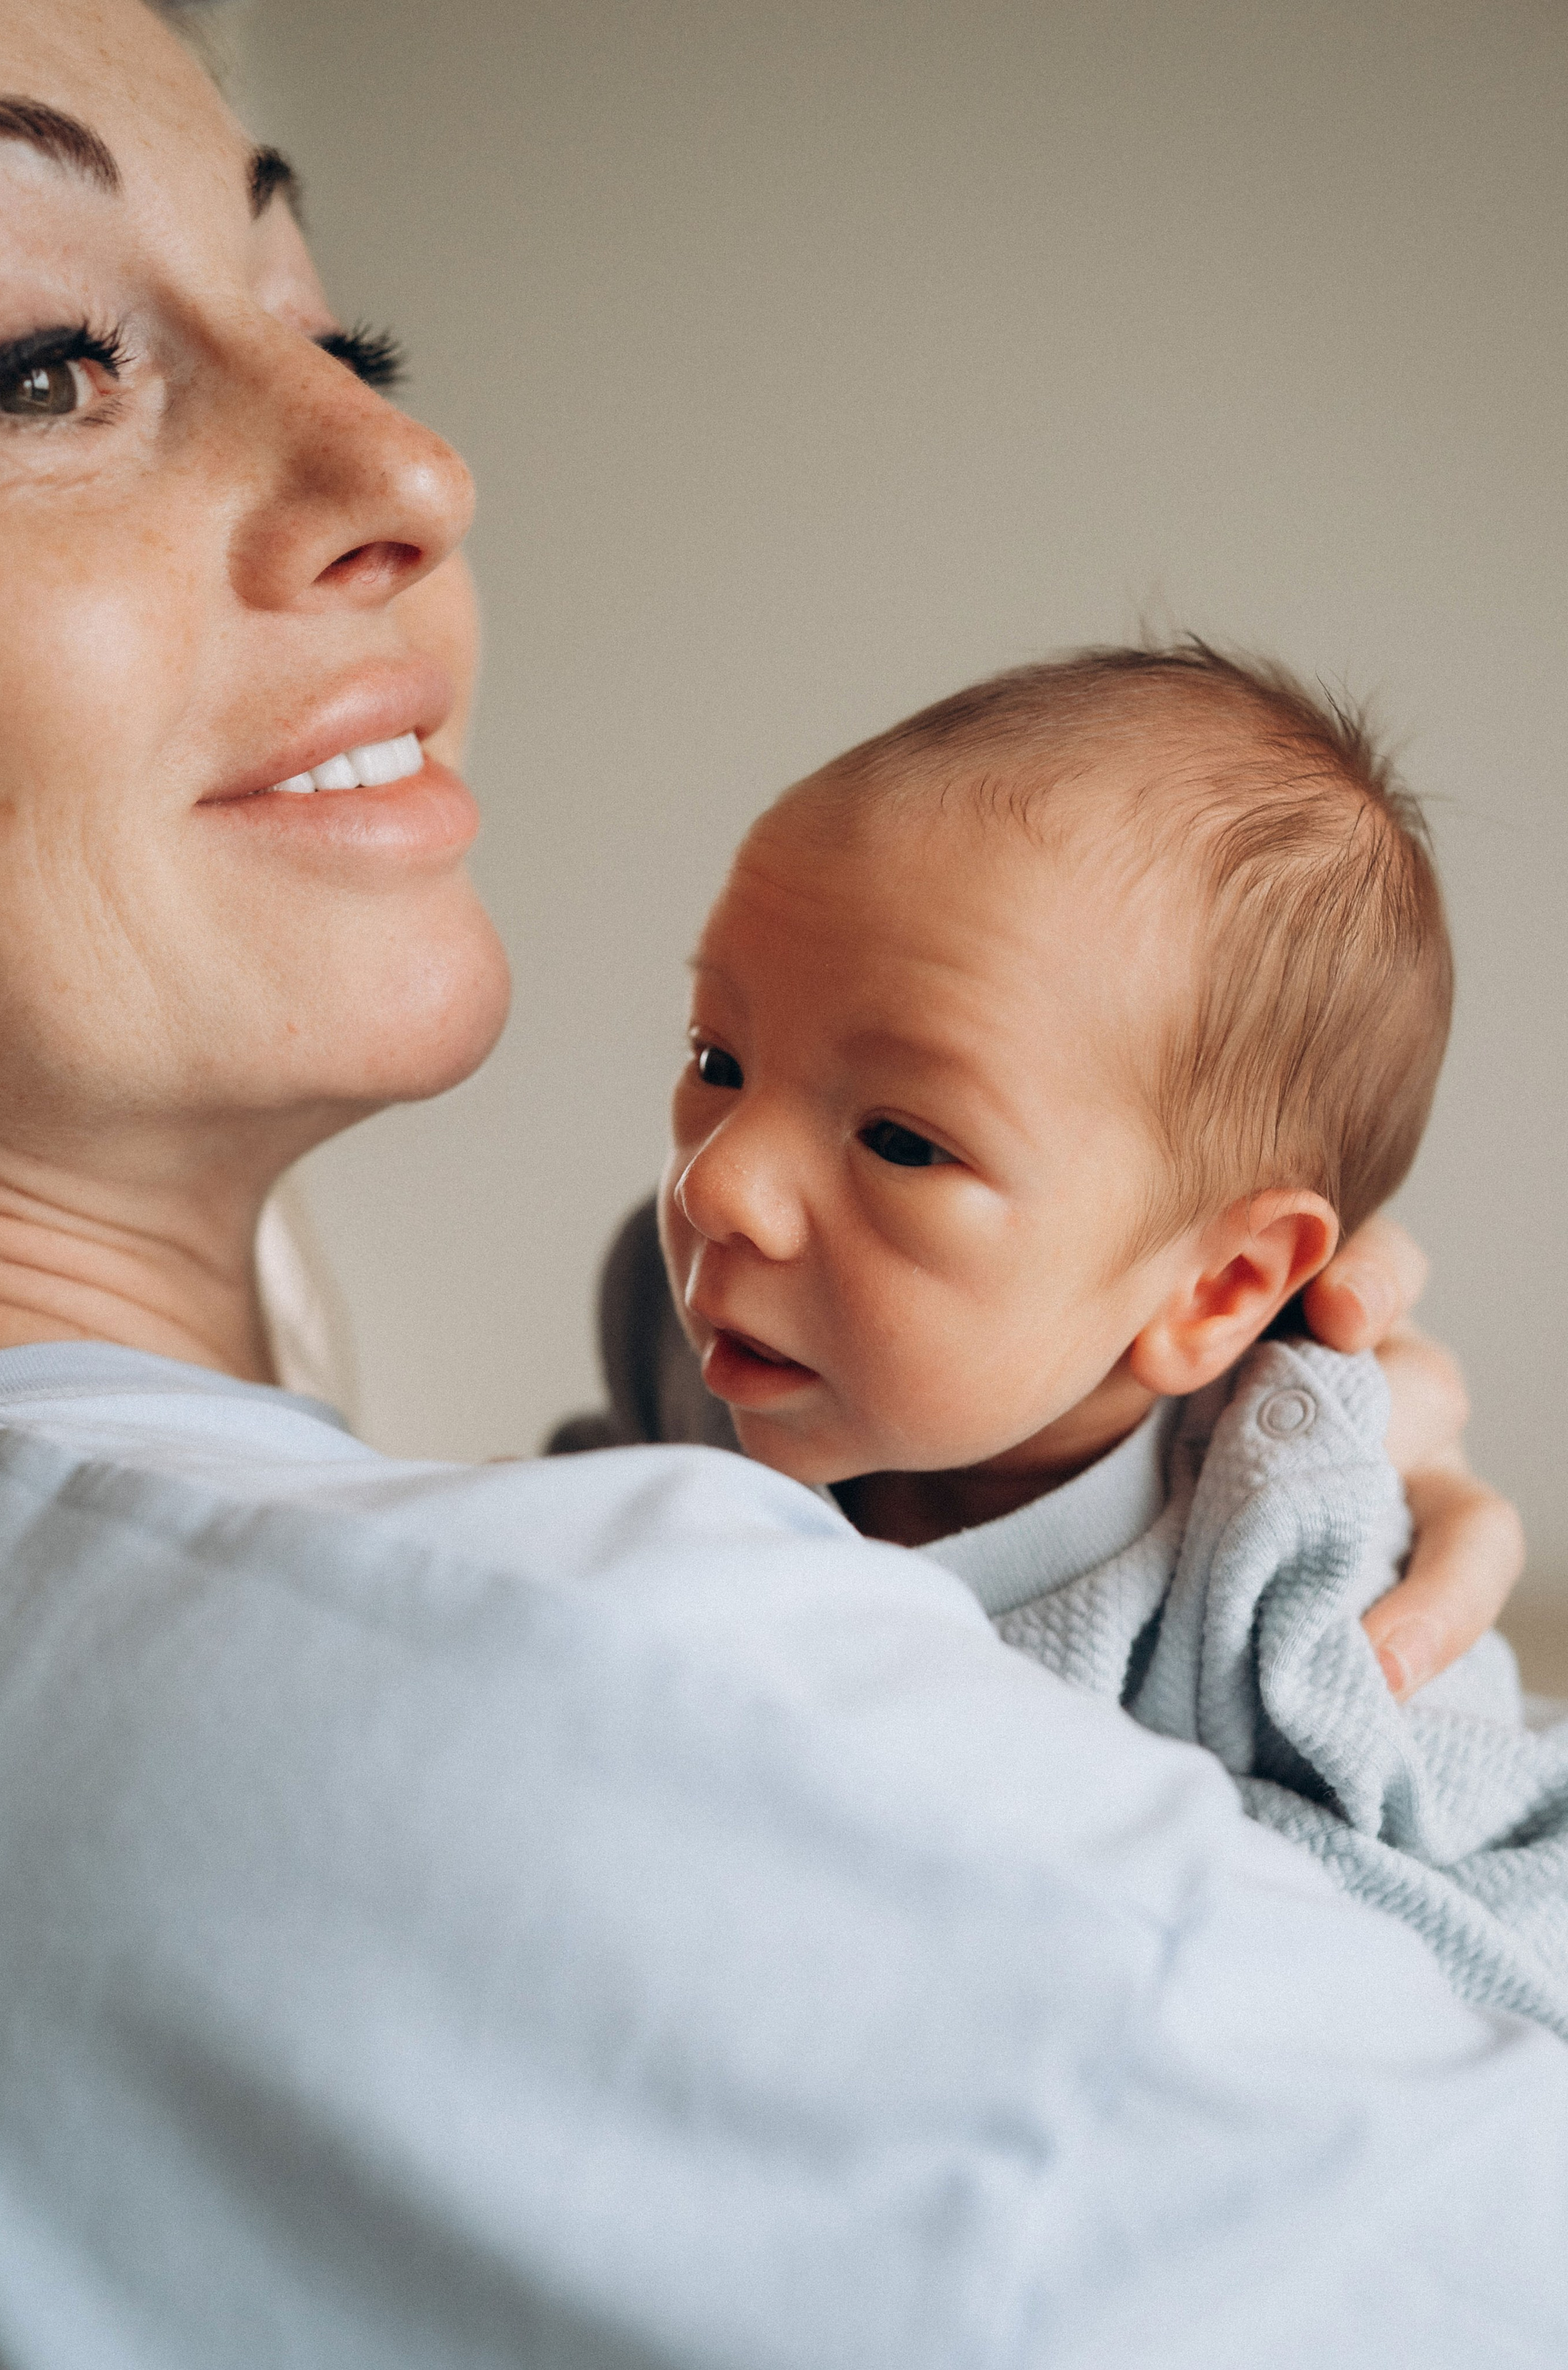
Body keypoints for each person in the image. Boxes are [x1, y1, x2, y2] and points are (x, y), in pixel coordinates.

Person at [0, 3, 1561, 2363]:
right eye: (35, 366)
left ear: (1227, 1280)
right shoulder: (537, 1688)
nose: (407, 457)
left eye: (342, 329)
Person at [641, 646, 1568, 2028]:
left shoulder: (1276, 1574)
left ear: (1213, 1288)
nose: (715, 1186)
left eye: (901, 1139)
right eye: (719, 1058)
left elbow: (1458, 1933)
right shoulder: (693, 1351)